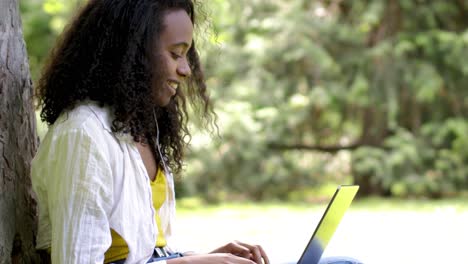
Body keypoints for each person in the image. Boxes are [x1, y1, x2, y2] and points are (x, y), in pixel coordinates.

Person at [31, 0, 269, 263]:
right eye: (176, 54)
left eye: (187, 55)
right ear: (132, 52)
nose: (186, 69)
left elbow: (144, 253)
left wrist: (205, 258)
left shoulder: (140, 128)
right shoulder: (83, 134)